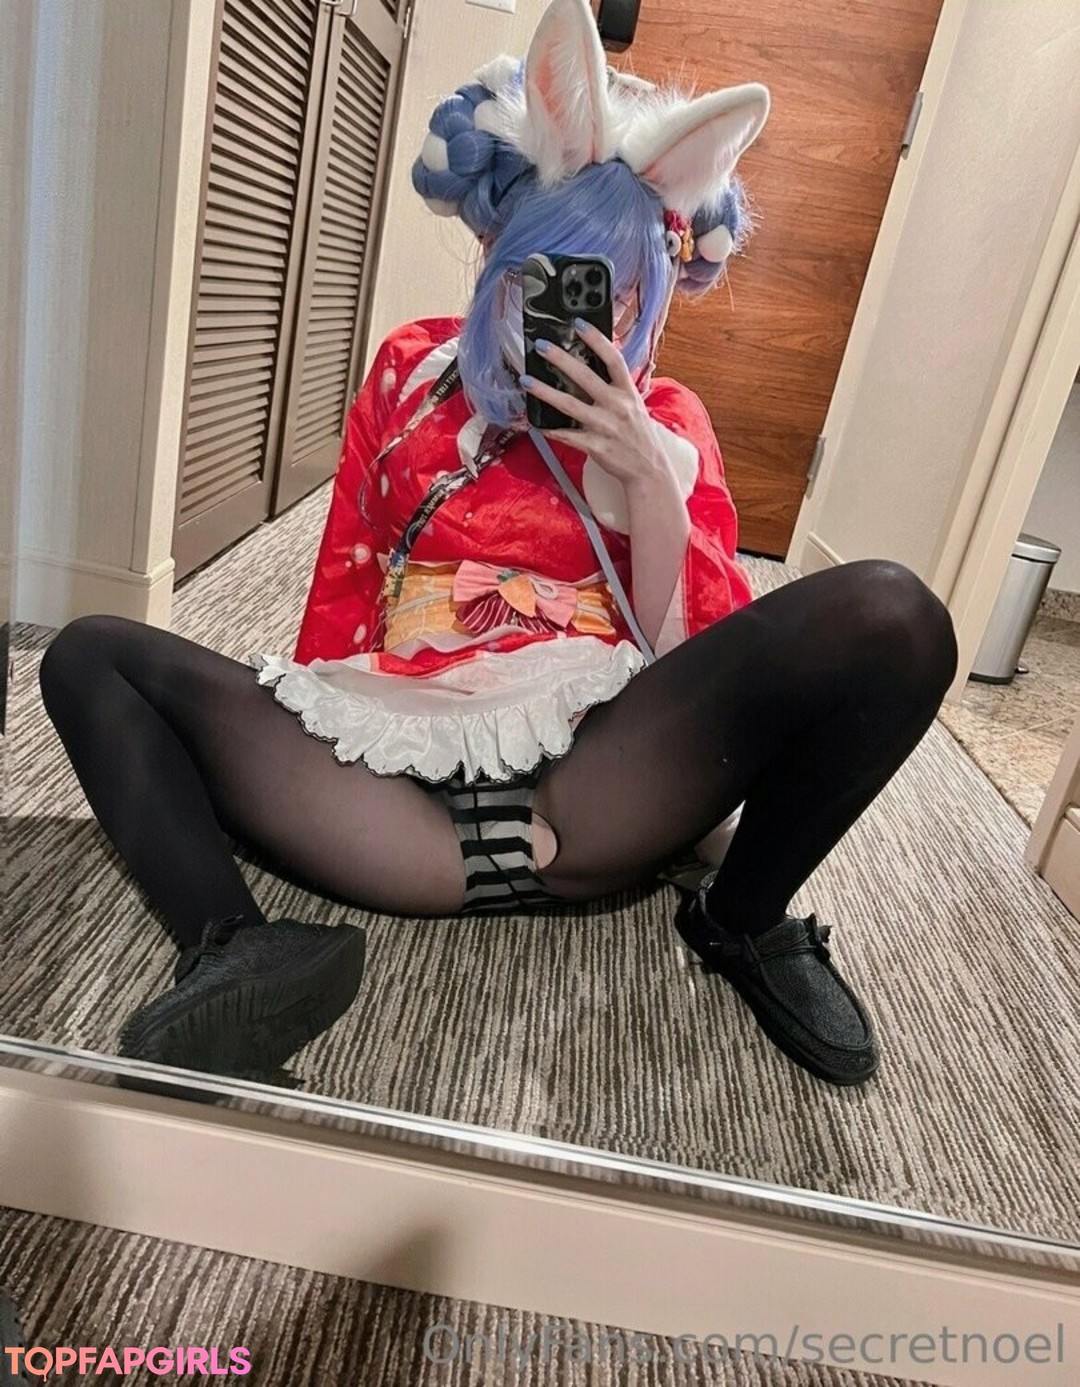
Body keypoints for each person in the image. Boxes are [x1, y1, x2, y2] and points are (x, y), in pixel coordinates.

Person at [38, 0, 956, 1088]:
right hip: (397, 792)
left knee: (896, 614)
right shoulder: (409, 372)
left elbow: (704, 670)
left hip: (604, 788)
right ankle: (237, 947)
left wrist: (647, 481)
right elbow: (348, 574)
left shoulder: (669, 426)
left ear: (650, 296)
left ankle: (743, 920)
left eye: (614, 296)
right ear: (492, 254)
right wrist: (302, 734)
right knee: (88, 655)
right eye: (549, 279)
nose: (586, 322)